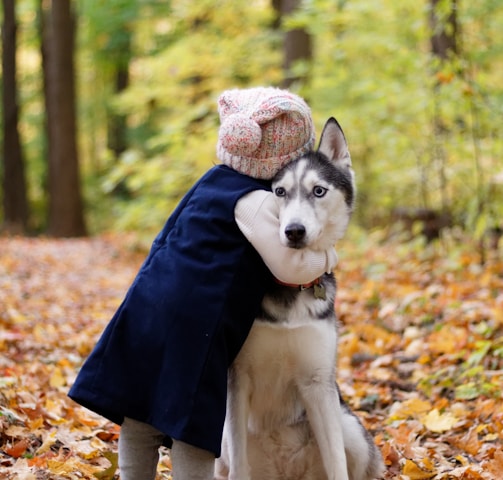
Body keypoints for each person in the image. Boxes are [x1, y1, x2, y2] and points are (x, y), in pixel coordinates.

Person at [68, 87, 339, 480]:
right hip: (196, 322)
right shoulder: (256, 201)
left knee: (139, 413)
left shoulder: (210, 180)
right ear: (288, 157)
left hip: (146, 304)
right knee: (192, 421)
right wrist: (329, 256)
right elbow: (291, 269)